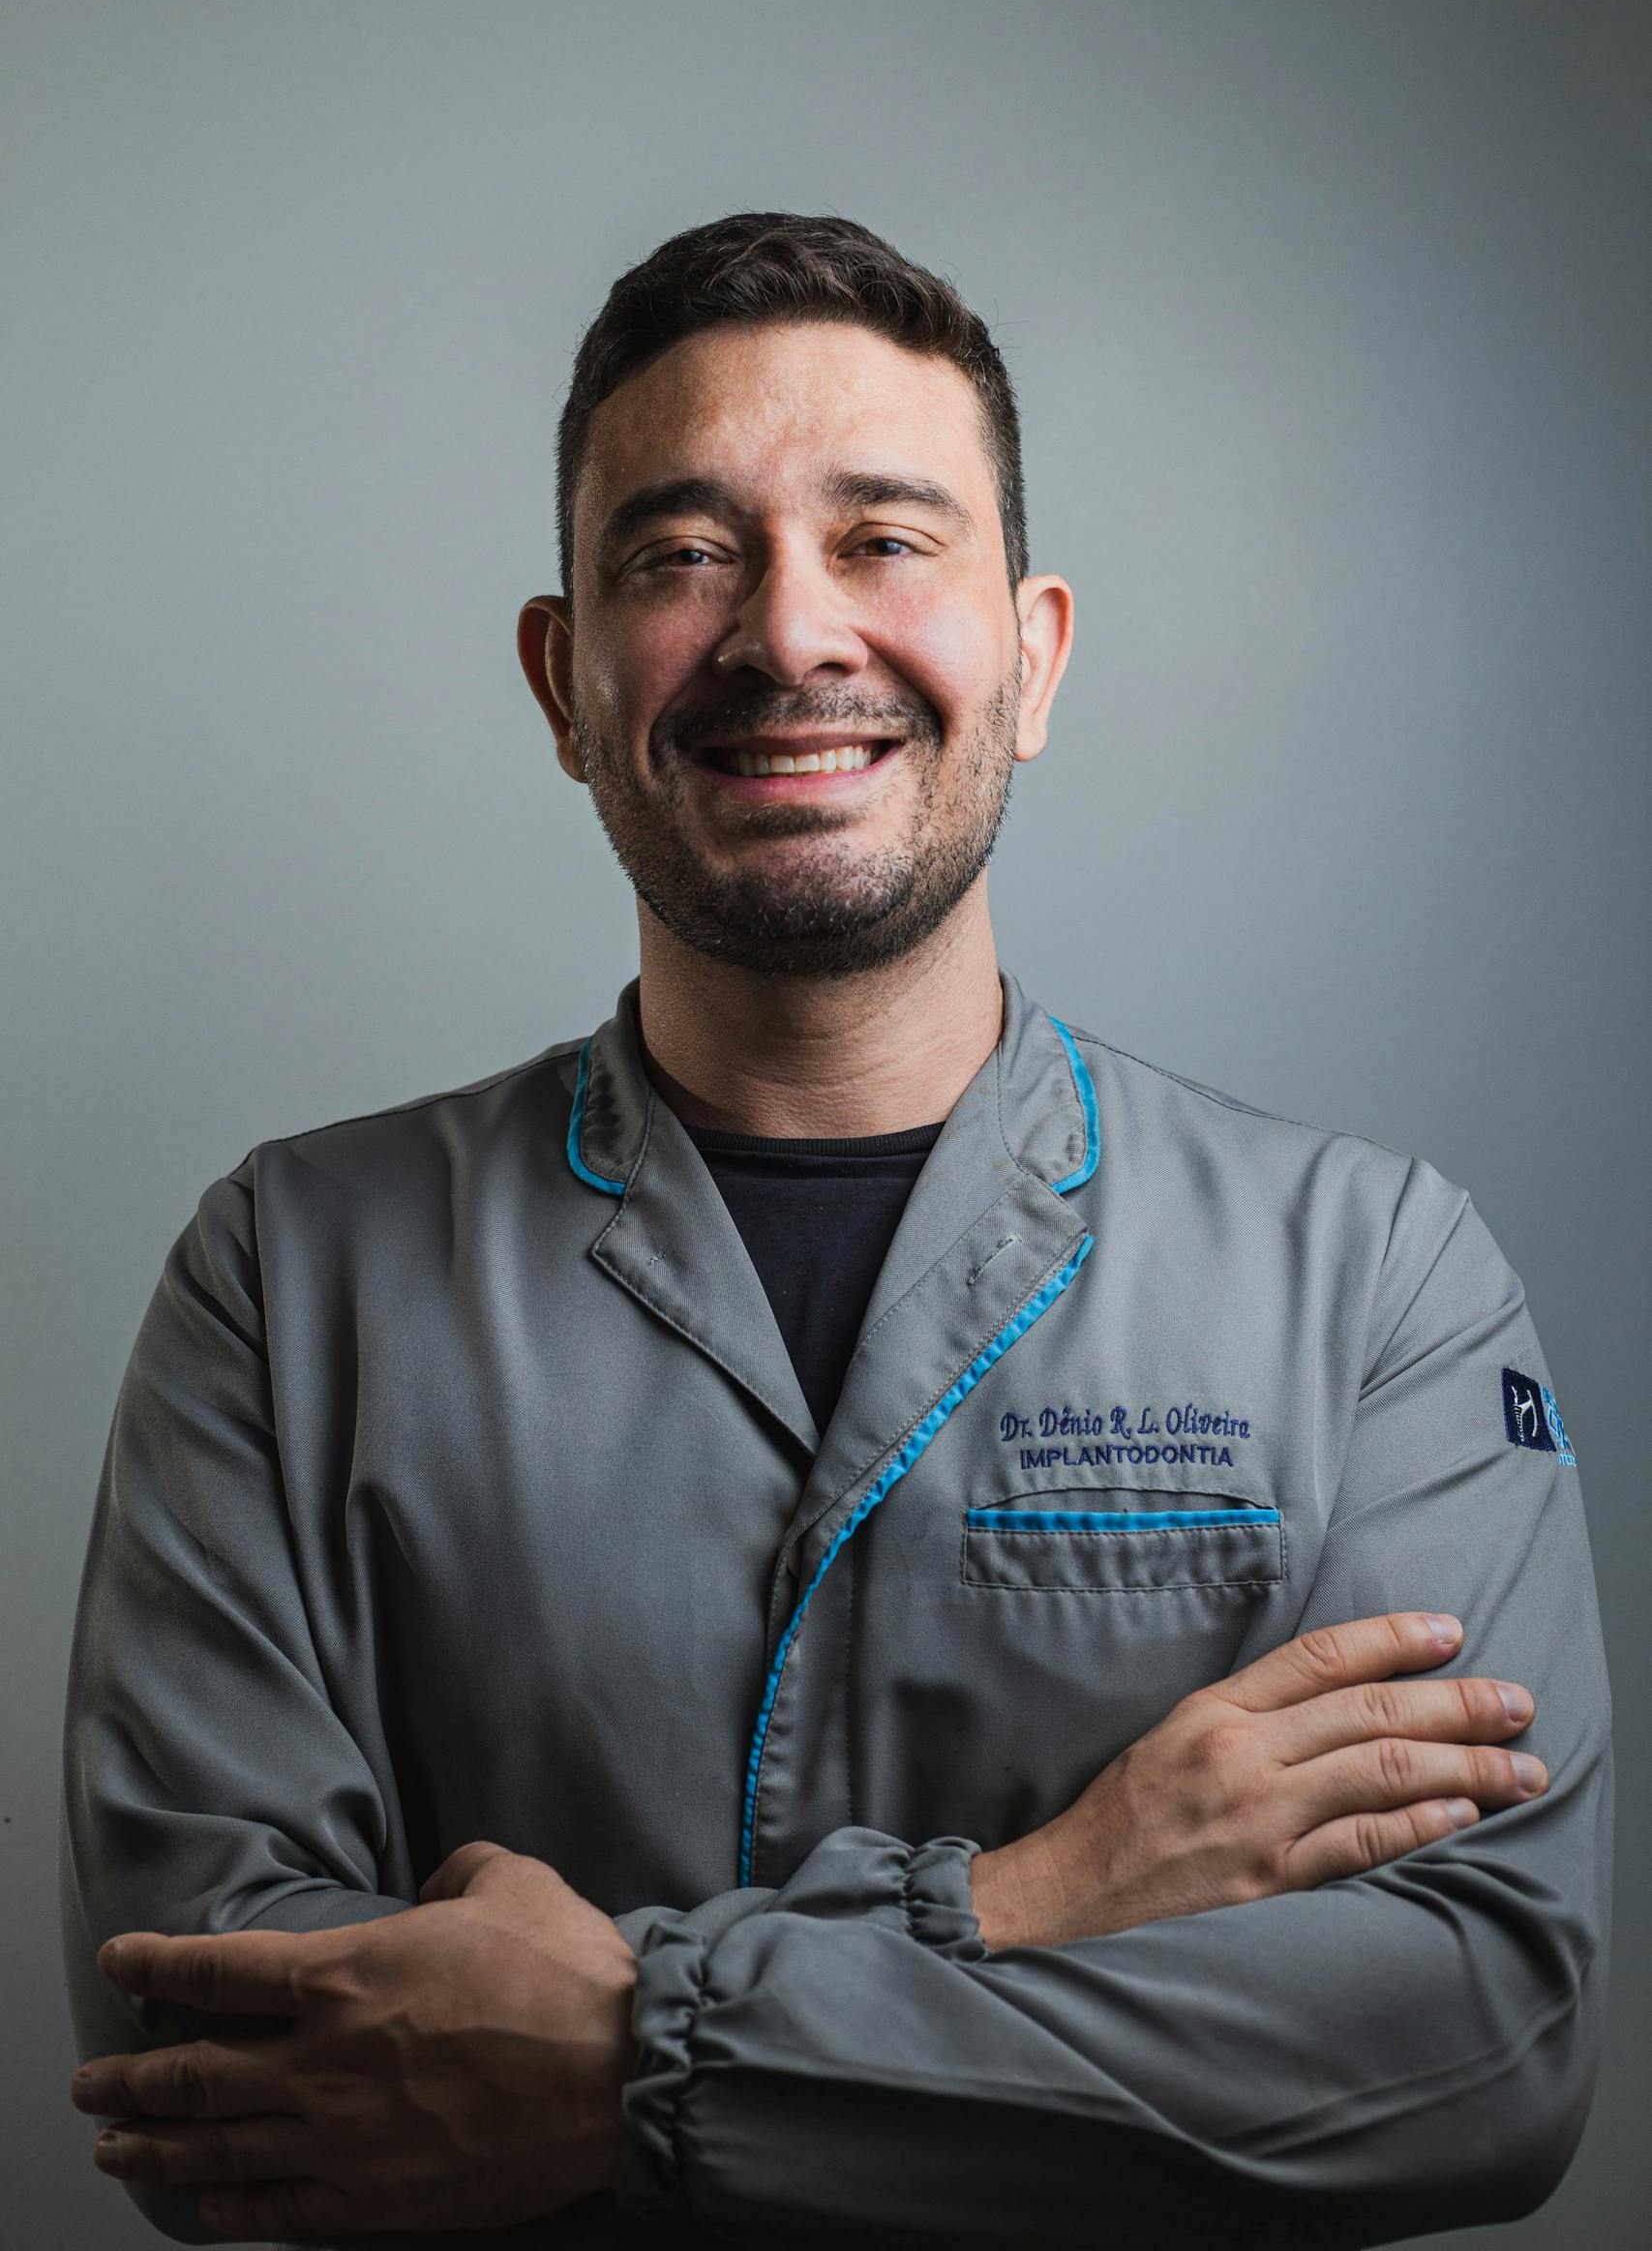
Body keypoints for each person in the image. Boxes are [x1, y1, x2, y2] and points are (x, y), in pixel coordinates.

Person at [60, 212, 1612, 2249]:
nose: (788, 632)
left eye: (883, 537)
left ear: (1032, 653)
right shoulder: (287, 1273)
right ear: (563, 675)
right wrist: (1030, 1895)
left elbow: (1473, 2041)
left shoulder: (1374, 1277)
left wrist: (620, 2052)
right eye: (679, 551)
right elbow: (214, 2065)